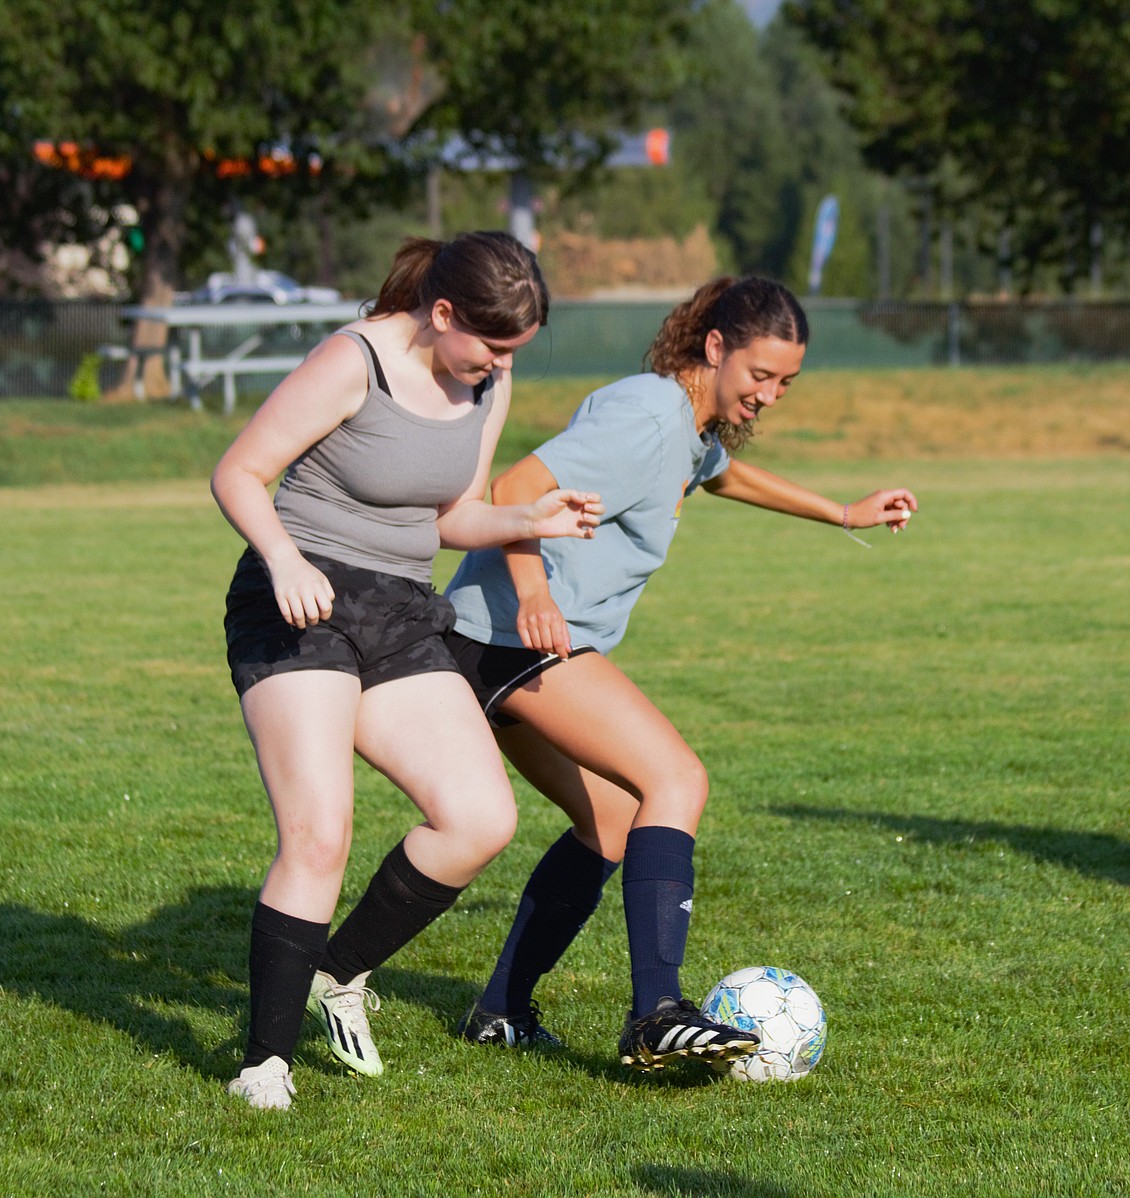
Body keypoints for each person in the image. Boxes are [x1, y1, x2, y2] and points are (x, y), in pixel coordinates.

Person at [444, 275, 917, 1073]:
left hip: (496, 640)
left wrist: (843, 512)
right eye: (759, 376)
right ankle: (656, 1012)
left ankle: (501, 1012)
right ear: (715, 347)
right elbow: (515, 489)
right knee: (677, 780)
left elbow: (719, 472)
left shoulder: (689, 428)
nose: (769, 395)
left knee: (613, 821)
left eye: (785, 384)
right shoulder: (649, 415)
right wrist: (533, 596)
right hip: (511, 637)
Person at [211, 231, 602, 1110]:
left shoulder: (487, 380)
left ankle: (336, 973)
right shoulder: (354, 361)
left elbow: (454, 515)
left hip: (399, 608)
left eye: (514, 353)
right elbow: (239, 471)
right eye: (491, 347)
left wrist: (528, 518)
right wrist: (283, 558)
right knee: (319, 832)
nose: (500, 366)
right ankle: (262, 1064)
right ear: (441, 313)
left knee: (479, 817)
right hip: (297, 598)